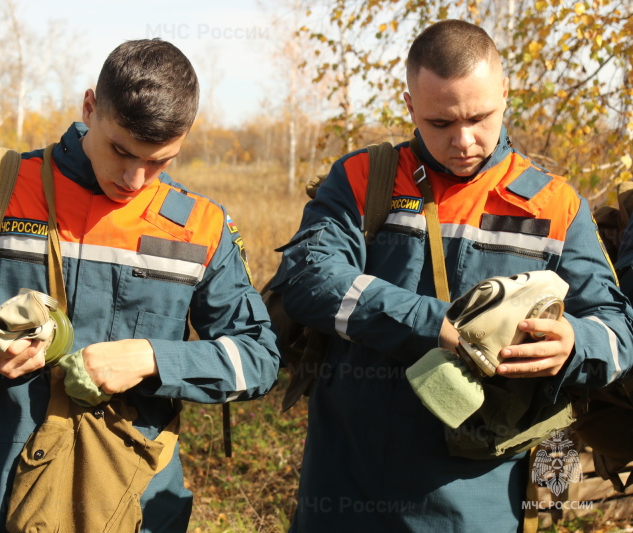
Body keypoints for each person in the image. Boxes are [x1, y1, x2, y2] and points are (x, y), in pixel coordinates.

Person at [0, 38, 280, 532]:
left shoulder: (202, 226)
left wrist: (152, 359)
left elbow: (259, 358)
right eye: (121, 150)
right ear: (90, 107)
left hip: (130, 501)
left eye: (160, 161)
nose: (135, 179)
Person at [270, 19, 633, 532]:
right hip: (344, 491)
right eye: (440, 123)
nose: (463, 141)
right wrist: (436, 323)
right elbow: (308, 280)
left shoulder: (556, 206)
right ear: (409, 104)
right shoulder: (362, 179)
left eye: (479, 117)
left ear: (505, 94)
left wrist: (573, 344)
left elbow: (618, 328)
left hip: (477, 504)